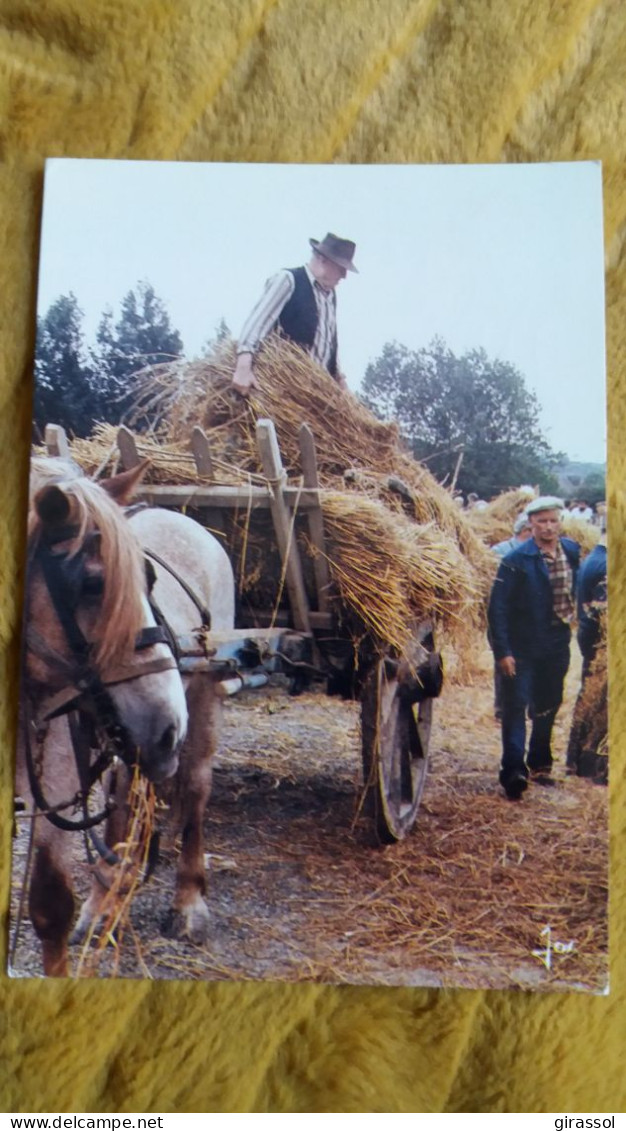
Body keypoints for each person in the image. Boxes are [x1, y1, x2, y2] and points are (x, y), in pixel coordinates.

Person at [487, 496, 580, 799]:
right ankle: (513, 771)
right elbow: (497, 609)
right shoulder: (516, 561)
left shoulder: (572, 551)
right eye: (541, 521)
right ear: (531, 524)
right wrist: (503, 652)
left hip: (557, 642)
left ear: (560, 522)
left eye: (553, 521)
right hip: (523, 646)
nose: (548, 527)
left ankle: (540, 764)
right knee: (516, 706)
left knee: (549, 703)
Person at [231, 232, 358, 396]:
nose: (344, 276)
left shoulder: (330, 296)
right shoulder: (288, 280)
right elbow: (257, 323)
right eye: (341, 269)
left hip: (313, 394)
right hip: (280, 386)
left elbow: (327, 342)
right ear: (323, 259)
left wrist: (339, 379)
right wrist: (243, 368)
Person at [575, 528, 607, 681]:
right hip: (598, 637)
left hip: (586, 629)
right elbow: (605, 613)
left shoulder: (593, 558)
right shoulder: (607, 563)